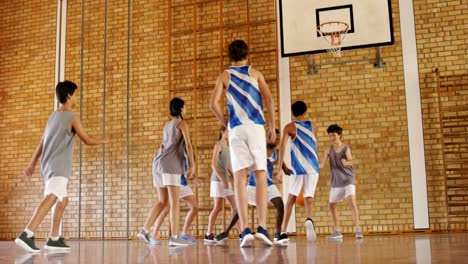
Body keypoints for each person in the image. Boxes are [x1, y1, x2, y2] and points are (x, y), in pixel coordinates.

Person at [15, 81, 109, 252]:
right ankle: (27, 233)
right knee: (52, 197)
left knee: (62, 200)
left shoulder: (53, 116)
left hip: (48, 165)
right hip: (59, 166)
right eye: (75, 94)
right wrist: (105, 139)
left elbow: (41, 142)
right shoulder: (72, 116)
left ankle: (53, 238)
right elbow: (86, 140)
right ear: (69, 95)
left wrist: (31, 164)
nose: (76, 97)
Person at [210, 39, 276, 248]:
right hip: (256, 127)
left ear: (230, 56)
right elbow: (269, 99)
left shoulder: (224, 75)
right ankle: (263, 228)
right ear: (248, 55)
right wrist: (272, 125)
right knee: (260, 175)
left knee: (239, 177)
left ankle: (245, 230)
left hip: (236, 129)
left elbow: (213, 104)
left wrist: (225, 122)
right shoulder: (255, 73)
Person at [137, 97, 196, 247]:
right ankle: (174, 238)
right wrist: (192, 165)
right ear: (181, 109)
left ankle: (144, 230)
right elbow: (188, 146)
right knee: (174, 202)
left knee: (163, 201)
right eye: (185, 107)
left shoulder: (166, 125)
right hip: (170, 165)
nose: (186, 109)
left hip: (157, 164)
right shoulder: (182, 124)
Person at [215, 129, 289, 244]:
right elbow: (253, 165)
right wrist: (271, 163)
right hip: (253, 184)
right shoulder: (259, 149)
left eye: (279, 140)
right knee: (239, 210)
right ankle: (226, 231)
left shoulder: (277, 153)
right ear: (269, 137)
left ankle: (278, 234)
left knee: (280, 205)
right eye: (275, 138)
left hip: (268, 185)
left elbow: (284, 168)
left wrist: (291, 171)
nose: (277, 141)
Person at [276, 101, 319, 245]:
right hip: (313, 167)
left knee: (290, 199)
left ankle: (283, 232)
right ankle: (309, 218)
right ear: (305, 111)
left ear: (293, 112)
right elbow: (315, 144)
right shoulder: (313, 126)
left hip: (298, 167)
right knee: (308, 196)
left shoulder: (290, 127)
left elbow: (281, 147)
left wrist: (280, 168)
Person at [319, 124, 363, 239]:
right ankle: (337, 231)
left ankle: (358, 229)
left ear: (339, 135)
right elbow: (322, 164)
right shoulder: (328, 150)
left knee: (351, 200)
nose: (332, 138)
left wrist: (346, 162)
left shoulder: (345, 148)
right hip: (336, 181)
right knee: (331, 205)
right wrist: (311, 166)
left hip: (348, 179)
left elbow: (351, 162)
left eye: (334, 135)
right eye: (330, 136)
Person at [150, 158, 200, 246]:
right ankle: (154, 234)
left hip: (182, 182)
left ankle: (184, 232)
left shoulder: (187, 153)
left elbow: (190, 167)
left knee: (194, 206)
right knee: (167, 208)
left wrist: (195, 178)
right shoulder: (173, 150)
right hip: (172, 181)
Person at [204, 127, 239, 244]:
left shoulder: (228, 148)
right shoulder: (218, 145)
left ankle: (241, 232)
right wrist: (223, 179)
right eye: (227, 131)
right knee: (218, 207)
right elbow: (213, 165)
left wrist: (235, 177)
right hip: (217, 180)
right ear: (222, 132)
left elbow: (229, 167)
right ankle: (208, 234)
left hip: (225, 180)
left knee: (235, 207)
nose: (229, 133)